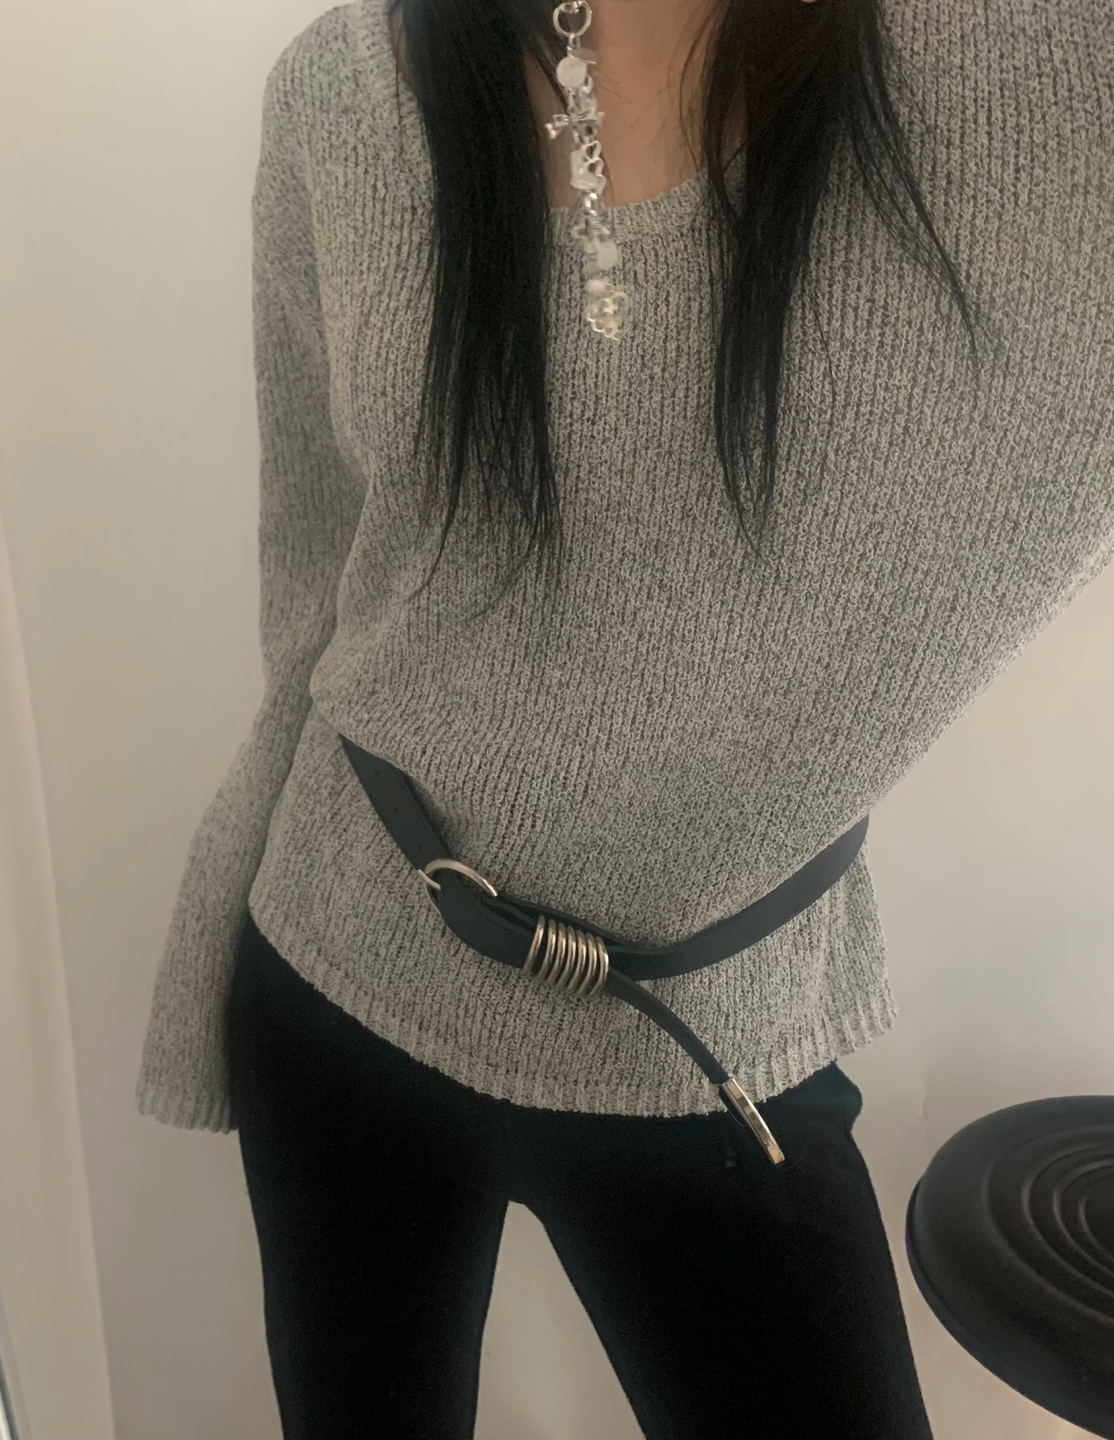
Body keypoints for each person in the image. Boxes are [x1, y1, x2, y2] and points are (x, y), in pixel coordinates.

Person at [137, 0, 1114, 1434]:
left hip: (713, 1048)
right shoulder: (342, 92)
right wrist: (214, 923)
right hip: (343, 962)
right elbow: (318, 595)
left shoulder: (1041, 66)